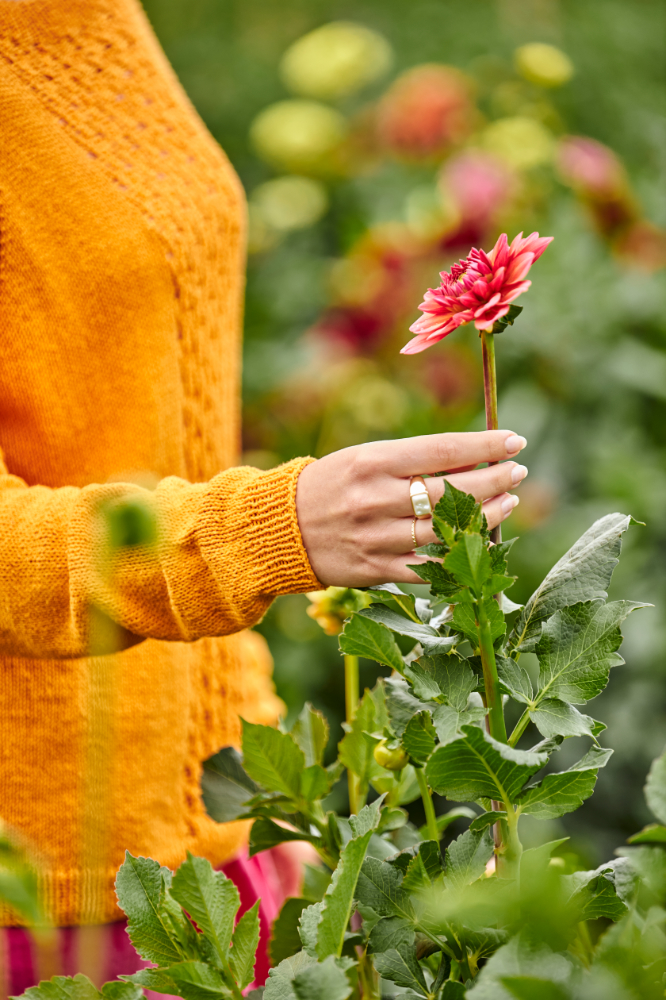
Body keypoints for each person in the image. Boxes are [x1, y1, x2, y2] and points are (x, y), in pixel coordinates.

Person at [0, 0, 527, 991]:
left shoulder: (90, 15)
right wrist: (269, 529)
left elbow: (166, 434)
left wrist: (273, 798)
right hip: (47, 892)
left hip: (212, 839)